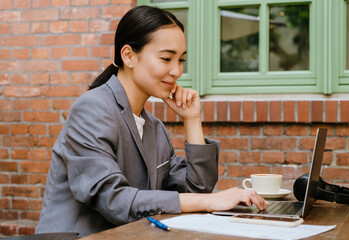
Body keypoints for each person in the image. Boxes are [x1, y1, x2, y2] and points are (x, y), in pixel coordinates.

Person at [36, 6, 267, 237]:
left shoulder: (154, 127)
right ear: (128, 56)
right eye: (166, 58)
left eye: (181, 60)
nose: (177, 70)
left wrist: (192, 119)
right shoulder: (92, 109)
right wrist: (209, 201)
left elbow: (198, 189)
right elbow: (114, 200)